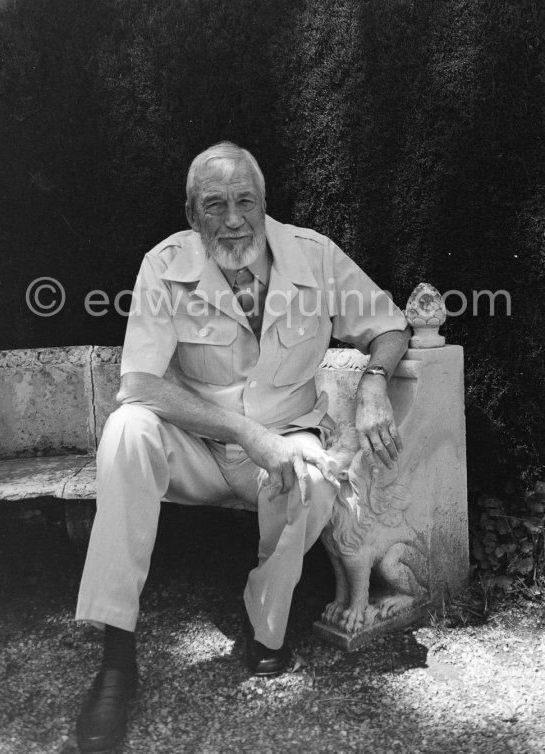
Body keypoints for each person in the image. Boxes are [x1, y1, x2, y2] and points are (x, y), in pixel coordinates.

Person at [75, 141, 411, 752]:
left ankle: (267, 621)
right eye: (215, 205)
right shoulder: (164, 265)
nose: (233, 219)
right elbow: (141, 384)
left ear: (263, 204)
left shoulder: (314, 256)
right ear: (191, 213)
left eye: (244, 202)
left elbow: (390, 324)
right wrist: (245, 435)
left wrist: (373, 386)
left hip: (284, 448)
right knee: (127, 429)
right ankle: (116, 657)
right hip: (201, 450)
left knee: (313, 477)